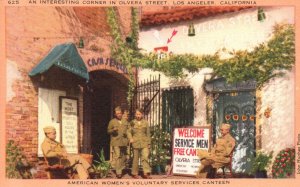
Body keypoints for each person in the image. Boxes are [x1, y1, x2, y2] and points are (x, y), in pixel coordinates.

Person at [127, 109, 152, 179]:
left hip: (144, 143)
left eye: (139, 114)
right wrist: (130, 138)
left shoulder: (145, 123)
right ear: (135, 115)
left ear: (142, 114)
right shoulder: (132, 122)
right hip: (135, 143)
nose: (138, 116)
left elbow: (148, 133)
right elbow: (128, 132)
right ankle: (134, 173)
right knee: (135, 159)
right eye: (137, 114)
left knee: (145, 157)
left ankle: (146, 173)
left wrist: (149, 143)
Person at [107, 106, 129, 179]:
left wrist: (128, 135)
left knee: (124, 157)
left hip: (124, 141)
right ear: (115, 114)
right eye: (117, 113)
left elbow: (129, 130)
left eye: (120, 113)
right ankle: (118, 172)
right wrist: (113, 130)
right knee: (118, 156)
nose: (119, 114)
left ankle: (120, 168)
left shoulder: (125, 121)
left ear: (122, 113)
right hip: (116, 141)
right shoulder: (112, 121)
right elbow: (108, 131)